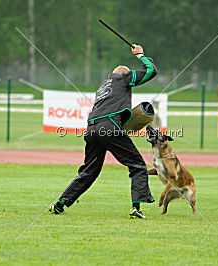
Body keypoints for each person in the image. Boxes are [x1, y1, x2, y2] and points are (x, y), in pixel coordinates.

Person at [49, 44, 158, 219]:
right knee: (137, 164)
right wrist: (140, 55)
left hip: (91, 128)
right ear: (125, 74)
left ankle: (60, 204)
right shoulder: (124, 78)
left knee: (89, 170)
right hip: (108, 126)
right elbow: (151, 71)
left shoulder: (103, 86)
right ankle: (136, 208)